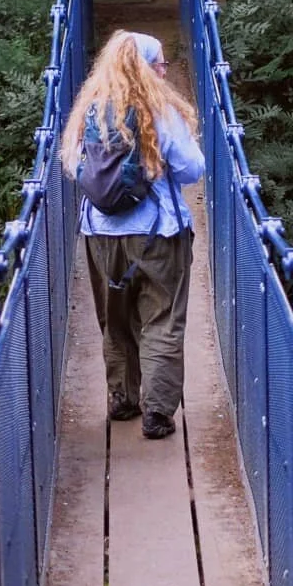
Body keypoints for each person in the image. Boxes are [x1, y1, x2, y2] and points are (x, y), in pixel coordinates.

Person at [60, 30, 205, 440]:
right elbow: (193, 169)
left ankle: (123, 399)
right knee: (161, 320)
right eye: (159, 62)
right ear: (143, 67)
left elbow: (74, 167)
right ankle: (157, 413)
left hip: (99, 235)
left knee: (116, 320)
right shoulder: (158, 110)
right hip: (159, 234)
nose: (164, 69)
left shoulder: (90, 108)